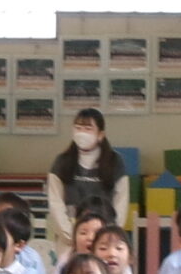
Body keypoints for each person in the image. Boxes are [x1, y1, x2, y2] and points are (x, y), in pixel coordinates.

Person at [47, 107, 131, 250]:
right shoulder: (62, 162)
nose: (82, 133)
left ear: (100, 134)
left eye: (88, 129)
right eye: (78, 128)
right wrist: (73, 236)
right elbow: (55, 203)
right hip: (69, 241)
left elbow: (121, 203)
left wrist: (107, 236)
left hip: (104, 241)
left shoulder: (115, 162)